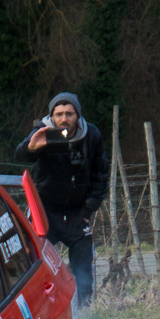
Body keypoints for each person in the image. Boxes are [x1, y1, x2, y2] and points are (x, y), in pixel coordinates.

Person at [13, 91, 107, 305]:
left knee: (83, 269)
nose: (64, 119)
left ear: (78, 115)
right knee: (33, 261)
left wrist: (87, 210)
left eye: (69, 114)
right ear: (52, 116)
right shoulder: (43, 132)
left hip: (77, 212)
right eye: (59, 114)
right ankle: (39, 308)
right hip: (46, 210)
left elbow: (100, 174)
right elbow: (20, 155)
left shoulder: (92, 135)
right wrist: (31, 148)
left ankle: (83, 311)